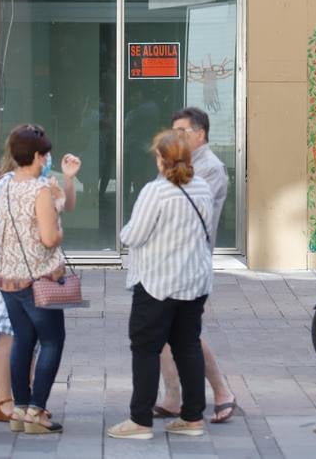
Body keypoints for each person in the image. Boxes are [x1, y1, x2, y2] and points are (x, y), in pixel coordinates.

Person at [107, 129, 213, 441]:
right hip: (194, 281)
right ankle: (193, 417)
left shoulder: (156, 191)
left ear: (161, 160)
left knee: (145, 349)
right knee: (188, 346)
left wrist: (126, 232)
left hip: (157, 283)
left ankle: (140, 421)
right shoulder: (203, 188)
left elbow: (132, 235)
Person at [0, 136, 80, 424]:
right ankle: (34, 408)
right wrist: (58, 233)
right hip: (36, 277)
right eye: (45, 155)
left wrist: (66, 182)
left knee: (23, 339)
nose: (47, 160)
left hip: (9, 277)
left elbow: (62, 205)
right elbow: (48, 238)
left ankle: (20, 407)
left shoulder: (6, 185)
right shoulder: (39, 189)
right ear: (35, 155)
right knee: (52, 340)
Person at [156, 107, 236, 424]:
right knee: (164, 331)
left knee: (185, 334)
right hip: (167, 259)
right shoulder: (177, 162)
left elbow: (181, 206)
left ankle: (221, 391)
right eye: (173, 131)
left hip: (190, 261)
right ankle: (173, 397)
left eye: (182, 131)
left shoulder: (210, 168)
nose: (176, 136)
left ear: (200, 134)